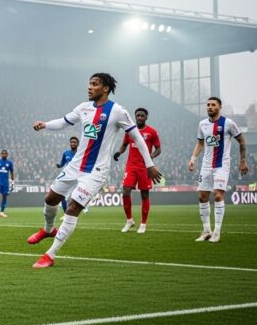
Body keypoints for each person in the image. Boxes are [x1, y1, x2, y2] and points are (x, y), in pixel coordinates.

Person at [28, 73, 162, 268]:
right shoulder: (83, 108)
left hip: (96, 171)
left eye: (94, 84)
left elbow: (137, 138)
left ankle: (50, 255)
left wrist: (149, 164)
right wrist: (45, 125)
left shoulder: (117, 111)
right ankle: (49, 230)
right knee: (50, 199)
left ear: (105, 88)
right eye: (89, 84)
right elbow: (64, 122)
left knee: (73, 208)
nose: (89, 87)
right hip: (75, 166)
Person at [187, 97, 247, 242]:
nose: (210, 107)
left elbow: (241, 140)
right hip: (206, 166)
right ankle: (206, 231)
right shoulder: (202, 124)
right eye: (208, 105)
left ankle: (217, 233)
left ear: (220, 107)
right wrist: (193, 159)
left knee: (218, 195)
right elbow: (200, 143)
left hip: (221, 165)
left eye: (213, 105)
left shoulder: (228, 123)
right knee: (202, 197)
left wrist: (243, 161)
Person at [113, 108, 161, 234]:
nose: (139, 118)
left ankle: (143, 224)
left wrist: (151, 156)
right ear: (135, 117)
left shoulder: (152, 132)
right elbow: (124, 145)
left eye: (142, 116)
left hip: (145, 166)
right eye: (137, 115)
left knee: (144, 194)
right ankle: (129, 220)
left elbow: (158, 149)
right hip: (131, 166)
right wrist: (119, 152)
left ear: (146, 117)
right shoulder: (130, 131)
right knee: (125, 191)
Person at [55, 136, 79, 212]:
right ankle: (66, 213)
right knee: (62, 197)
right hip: (68, 176)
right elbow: (63, 162)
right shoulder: (66, 153)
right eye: (71, 142)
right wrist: (59, 165)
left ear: (78, 144)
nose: (73, 143)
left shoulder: (80, 153)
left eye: (74, 142)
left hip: (77, 177)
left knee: (76, 196)